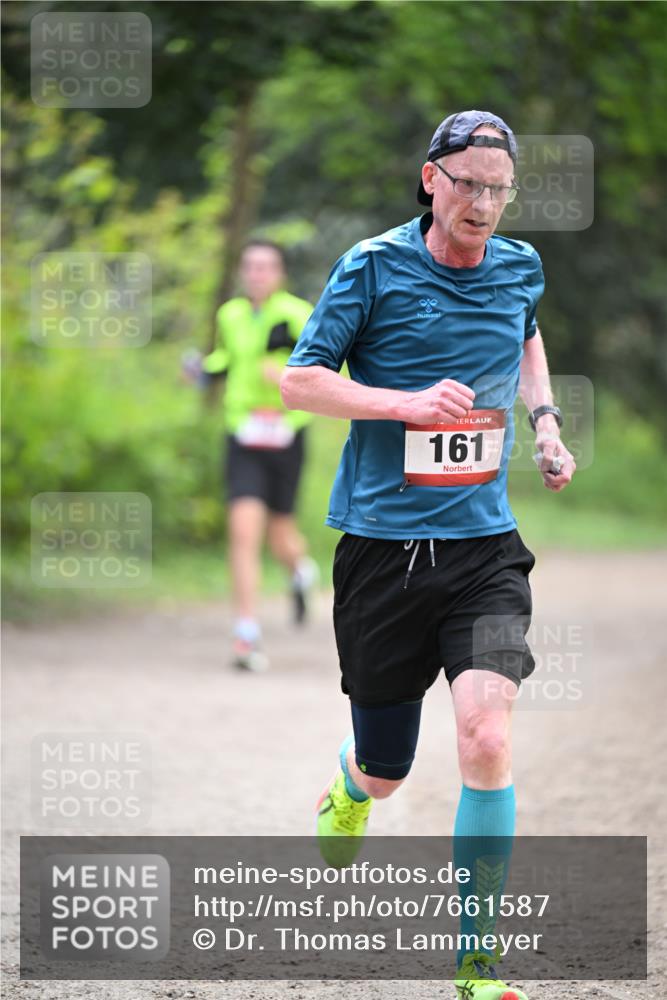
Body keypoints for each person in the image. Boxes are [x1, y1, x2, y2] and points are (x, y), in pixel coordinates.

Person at [281, 111, 575, 999]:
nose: (483, 203)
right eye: (469, 184)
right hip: (382, 549)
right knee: (387, 766)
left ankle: (475, 962)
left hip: (484, 549)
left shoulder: (519, 266)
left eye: (499, 187)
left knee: (486, 734)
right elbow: (299, 380)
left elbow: (524, 333)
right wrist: (401, 405)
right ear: (429, 179)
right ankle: (349, 783)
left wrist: (546, 424)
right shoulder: (371, 266)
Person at [189, 239, 317, 671]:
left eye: (266, 267)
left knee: (281, 536)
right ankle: (246, 634)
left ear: (280, 273)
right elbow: (224, 359)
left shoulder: (299, 314)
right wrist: (200, 371)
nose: (257, 274)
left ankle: (300, 572)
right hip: (242, 434)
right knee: (244, 532)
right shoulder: (231, 315)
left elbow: (327, 369)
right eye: (251, 266)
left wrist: (285, 375)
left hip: (286, 434)